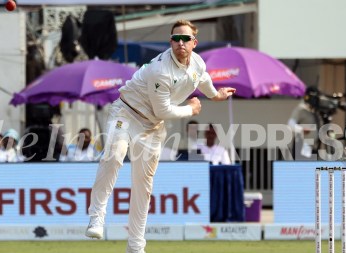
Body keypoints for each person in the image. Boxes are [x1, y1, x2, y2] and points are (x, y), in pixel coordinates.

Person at [84, 19, 235, 253]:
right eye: (176, 38)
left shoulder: (198, 63)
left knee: (143, 186)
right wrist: (191, 109)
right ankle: (97, 216)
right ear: (170, 41)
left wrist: (217, 95)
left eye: (186, 39)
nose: (180, 43)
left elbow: (203, 81)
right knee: (114, 156)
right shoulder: (160, 69)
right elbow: (163, 110)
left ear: (194, 43)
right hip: (126, 112)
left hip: (152, 127)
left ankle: (135, 246)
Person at [287, 86, 322, 160]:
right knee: (302, 169)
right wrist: (301, 129)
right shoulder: (301, 109)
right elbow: (290, 124)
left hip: (313, 146)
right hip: (303, 146)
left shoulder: (314, 112)